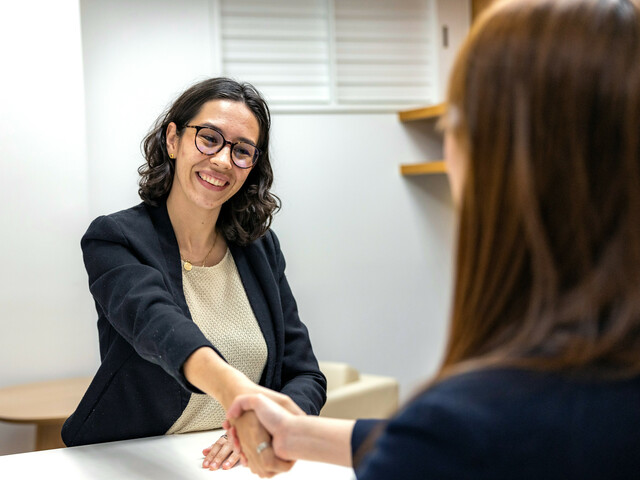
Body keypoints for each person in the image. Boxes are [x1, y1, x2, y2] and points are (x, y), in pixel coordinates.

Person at [224, 0, 640, 478]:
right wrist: (302, 434)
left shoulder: (466, 426)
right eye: (208, 139)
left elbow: (453, 440)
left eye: (452, 126)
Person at [61, 77, 326, 472]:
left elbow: (305, 374)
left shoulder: (259, 248)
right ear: (173, 140)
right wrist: (238, 394)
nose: (222, 160)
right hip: (131, 461)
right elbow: (160, 327)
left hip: (236, 463)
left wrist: (270, 426)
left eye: (241, 151)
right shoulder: (115, 238)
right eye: (209, 138)